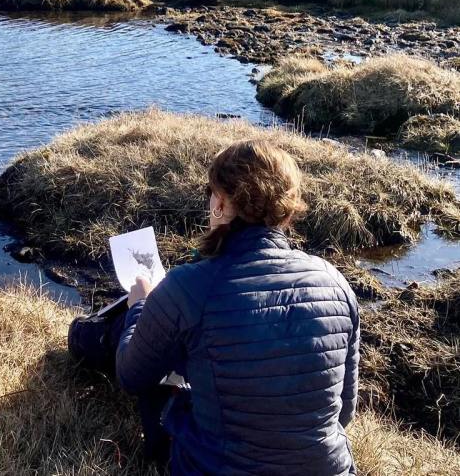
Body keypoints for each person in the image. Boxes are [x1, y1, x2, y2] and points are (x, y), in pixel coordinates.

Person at [116, 139, 359, 475]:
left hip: (217, 468)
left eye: (210, 192)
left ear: (220, 203)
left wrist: (139, 307)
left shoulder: (187, 285)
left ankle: (82, 336)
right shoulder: (336, 282)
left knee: (142, 352)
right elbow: (343, 412)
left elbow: (131, 376)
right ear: (286, 210)